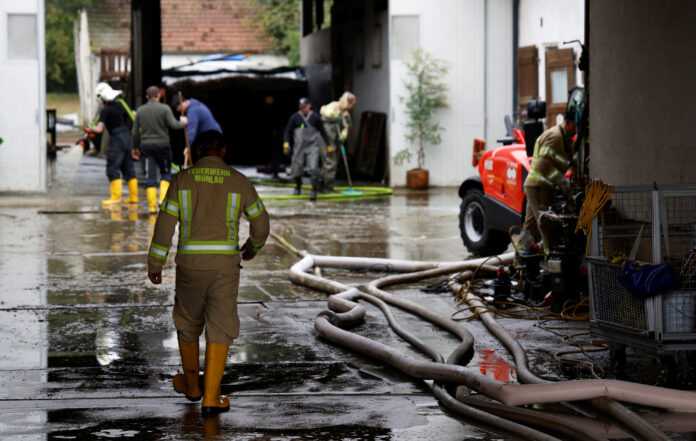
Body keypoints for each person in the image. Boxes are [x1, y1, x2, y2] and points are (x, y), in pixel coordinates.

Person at [146, 130, 269, 415]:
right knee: (221, 326)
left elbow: (165, 226)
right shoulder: (239, 181)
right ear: (223, 150)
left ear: (199, 151)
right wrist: (252, 247)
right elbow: (261, 224)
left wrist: (156, 264)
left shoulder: (182, 180)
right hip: (225, 268)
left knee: (187, 323)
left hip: (189, 266)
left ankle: (191, 387)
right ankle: (212, 398)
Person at [522, 110, 577, 253]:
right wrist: (562, 182)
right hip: (539, 187)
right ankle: (549, 263)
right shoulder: (555, 136)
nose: (576, 130)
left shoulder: (567, 141)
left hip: (539, 187)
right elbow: (542, 164)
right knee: (546, 226)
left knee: (530, 226)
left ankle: (521, 260)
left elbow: (570, 160)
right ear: (567, 123)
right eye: (575, 126)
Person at [132, 86, 187, 213]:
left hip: (146, 147)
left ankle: (152, 207)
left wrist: (135, 148)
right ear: (158, 96)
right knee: (165, 173)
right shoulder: (165, 109)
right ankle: (163, 202)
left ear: (147, 97)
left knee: (150, 175)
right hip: (163, 146)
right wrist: (183, 122)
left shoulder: (140, 111)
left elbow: (134, 133)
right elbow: (174, 125)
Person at [88, 82, 138, 205]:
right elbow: (134, 115)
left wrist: (90, 129)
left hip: (116, 140)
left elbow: (99, 129)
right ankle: (133, 197)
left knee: (113, 167)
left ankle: (115, 198)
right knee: (128, 167)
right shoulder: (122, 105)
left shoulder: (106, 110)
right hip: (127, 138)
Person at [283, 98, 331, 201]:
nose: (303, 109)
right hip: (299, 146)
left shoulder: (315, 118)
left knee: (313, 168)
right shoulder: (295, 117)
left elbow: (323, 132)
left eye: (304, 107)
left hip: (312, 146)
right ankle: (298, 187)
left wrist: (328, 145)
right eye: (301, 107)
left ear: (309, 106)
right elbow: (287, 131)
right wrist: (286, 142)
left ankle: (314, 191)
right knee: (297, 167)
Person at [319, 92, 357, 192]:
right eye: (351, 104)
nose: (351, 107)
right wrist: (334, 115)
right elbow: (323, 110)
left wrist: (342, 137)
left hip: (335, 139)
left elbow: (346, 127)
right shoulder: (334, 106)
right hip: (326, 139)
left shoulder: (346, 114)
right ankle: (326, 186)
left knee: (332, 161)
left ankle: (324, 185)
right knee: (329, 161)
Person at [171, 95, 222, 166]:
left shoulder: (193, 110)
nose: (179, 110)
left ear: (184, 102)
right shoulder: (195, 105)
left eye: (178, 107)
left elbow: (192, 130)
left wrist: (187, 146)